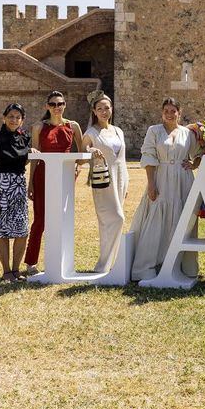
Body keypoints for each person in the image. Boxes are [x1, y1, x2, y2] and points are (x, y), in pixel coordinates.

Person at [130, 98, 200, 281]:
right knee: (156, 219)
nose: (170, 114)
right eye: (166, 111)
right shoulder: (154, 131)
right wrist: (151, 183)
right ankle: (148, 266)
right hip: (161, 178)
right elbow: (148, 156)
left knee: (182, 219)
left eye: (173, 111)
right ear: (162, 112)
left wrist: (193, 164)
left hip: (183, 180)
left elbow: (199, 153)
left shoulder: (188, 133)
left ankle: (180, 265)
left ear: (179, 112)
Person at [24, 90, 83, 275]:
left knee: (63, 219)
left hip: (64, 177)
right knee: (40, 220)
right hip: (42, 175)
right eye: (53, 104)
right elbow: (34, 157)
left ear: (65, 105)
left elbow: (81, 155)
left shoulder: (73, 126)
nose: (57, 107)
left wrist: (77, 170)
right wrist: (31, 182)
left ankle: (61, 259)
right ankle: (31, 263)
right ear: (47, 106)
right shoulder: (39, 127)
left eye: (60, 104)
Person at [0, 103, 33, 283]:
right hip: (0, 188)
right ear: (4, 118)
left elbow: (23, 161)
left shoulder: (25, 138)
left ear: (22, 120)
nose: (14, 120)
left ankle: (16, 270)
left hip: (19, 187)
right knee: (2, 232)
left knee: (22, 232)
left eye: (18, 117)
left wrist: (31, 152)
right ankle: (6, 272)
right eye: (11, 116)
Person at [81, 91, 129, 273]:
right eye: (99, 108)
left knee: (113, 221)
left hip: (121, 179)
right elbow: (83, 152)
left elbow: (122, 159)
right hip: (103, 181)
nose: (103, 111)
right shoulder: (91, 132)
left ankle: (113, 264)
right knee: (115, 219)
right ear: (94, 111)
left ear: (112, 109)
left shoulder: (118, 131)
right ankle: (103, 265)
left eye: (106, 108)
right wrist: (92, 150)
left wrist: (127, 182)